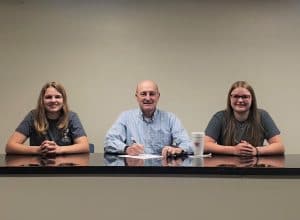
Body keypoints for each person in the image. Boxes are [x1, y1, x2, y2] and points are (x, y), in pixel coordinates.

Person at [104, 80, 192, 157]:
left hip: (163, 172)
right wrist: (126, 149)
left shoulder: (171, 119)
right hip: (134, 172)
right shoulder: (125, 117)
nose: (148, 98)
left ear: (158, 96)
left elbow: (187, 143)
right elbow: (109, 142)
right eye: (143, 94)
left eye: (152, 94)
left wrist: (179, 150)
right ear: (137, 97)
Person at [6, 81, 89, 155]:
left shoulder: (71, 116)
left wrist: (59, 149)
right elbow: (10, 146)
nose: (53, 100)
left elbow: (85, 146)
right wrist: (38, 150)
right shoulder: (33, 116)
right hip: (39, 168)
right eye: (48, 97)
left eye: (57, 97)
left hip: (65, 168)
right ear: (42, 100)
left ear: (63, 100)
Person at [204, 81, 284, 156]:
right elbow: (204, 145)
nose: (240, 100)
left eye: (245, 97)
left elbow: (280, 146)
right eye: (236, 96)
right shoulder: (220, 117)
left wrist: (256, 151)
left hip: (254, 167)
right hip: (226, 168)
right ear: (230, 98)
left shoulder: (262, 116)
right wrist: (233, 150)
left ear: (252, 99)